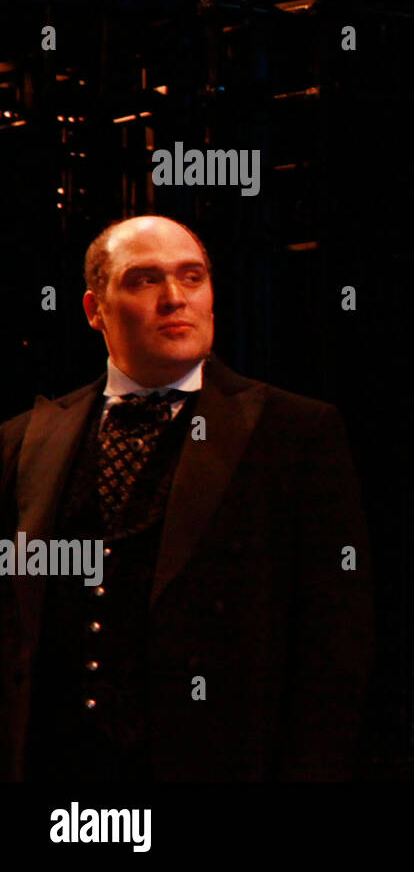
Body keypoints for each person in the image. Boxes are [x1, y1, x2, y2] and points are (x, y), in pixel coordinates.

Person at [0, 215, 372, 781]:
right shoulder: (24, 439)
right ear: (94, 310)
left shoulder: (295, 431)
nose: (175, 298)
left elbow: (334, 643)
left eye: (192, 277)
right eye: (145, 280)